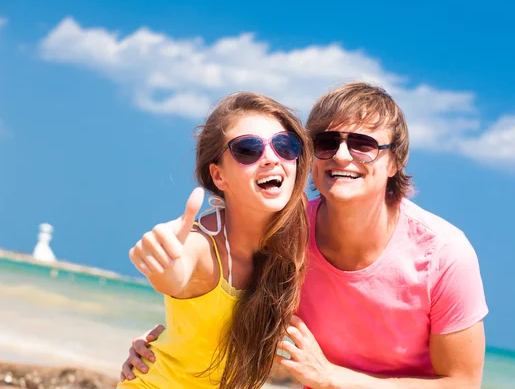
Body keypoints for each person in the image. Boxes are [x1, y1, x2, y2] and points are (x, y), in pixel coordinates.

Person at [121, 83, 488, 389]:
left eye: (363, 144)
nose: (342, 155)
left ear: (394, 163)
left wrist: (333, 378)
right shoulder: (286, 233)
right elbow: (202, 279)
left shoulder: (443, 254)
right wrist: (167, 340)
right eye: (327, 143)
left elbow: (463, 383)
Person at [118, 91, 313, 389]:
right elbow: (176, 273)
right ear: (218, 176)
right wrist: (160, 259)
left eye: (284, 146)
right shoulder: (202, 247)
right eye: (248, 149)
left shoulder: (297, 236)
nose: (271, 158)